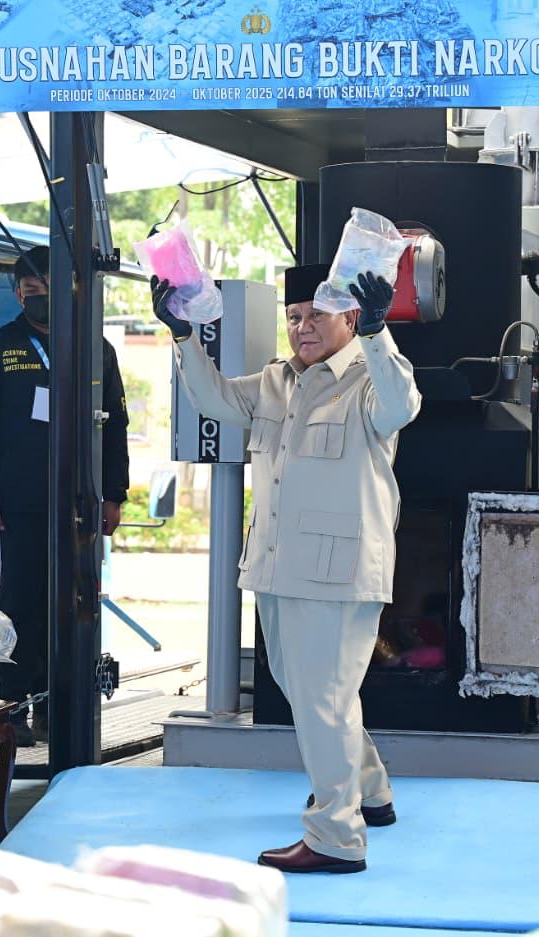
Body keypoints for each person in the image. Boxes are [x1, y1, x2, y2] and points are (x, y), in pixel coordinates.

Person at [153, 265, 421, 874]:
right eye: (294, 316)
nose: (302, 327)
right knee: (311, 691)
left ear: (350, 317)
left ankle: (336, 837)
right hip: (277, 565)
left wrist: (378, 333)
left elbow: (401, 406)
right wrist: (182, 335)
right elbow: (214, 400)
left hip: (338, 572)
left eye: (316, 315)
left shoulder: (370, 378)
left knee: (323, 699)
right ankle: (370, 791)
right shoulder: (277, 380)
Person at [0, 245, 129, 746]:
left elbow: (116, 425)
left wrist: (114, 494)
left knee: (73, 604)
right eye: (30, 290)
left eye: (48, 289)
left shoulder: (96, 349)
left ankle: (59, 705)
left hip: (79, 505)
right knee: (17, 604)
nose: (39, 297)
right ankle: (13, 707)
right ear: (18, 294)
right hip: (14, 506)